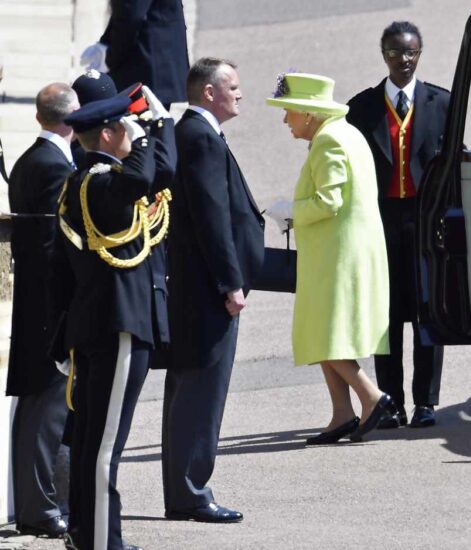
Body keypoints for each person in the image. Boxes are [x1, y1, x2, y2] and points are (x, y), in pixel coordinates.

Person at [50, 86, 171, 550]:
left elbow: (162, 174)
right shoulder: (101, 185)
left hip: (96, 325)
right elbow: (142, 180)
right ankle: (102, 542)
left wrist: (158, 131)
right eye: (125, 128)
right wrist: (147, 138)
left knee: (91, 443)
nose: (131, 136)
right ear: (108, 133)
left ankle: (91, 535)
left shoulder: (85, 182)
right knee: (102, 449)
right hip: (117, 327)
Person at [265, 72, 392, 444]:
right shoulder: (342, 133)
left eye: (289, 111)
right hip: (336, 252)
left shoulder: (330, 141)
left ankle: (370, 396)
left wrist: (290, 211)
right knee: (322, 330)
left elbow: (329, 201)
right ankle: (342, 413)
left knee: (323, 333)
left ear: (308, 113)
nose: (285, 119)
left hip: (337, 256)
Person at [162, 57, 264, 523]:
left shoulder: (197, 133)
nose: (240, 94)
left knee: (192, 392)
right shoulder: (200, 137)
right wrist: (231, 281)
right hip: (207, 292)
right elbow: (211, 217)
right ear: (209, 92)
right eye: (233, 87)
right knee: (201, 393)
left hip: (197, 289)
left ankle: (185, 489)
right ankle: (190, 492)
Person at [346, 21, 449, 429]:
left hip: (424, 222)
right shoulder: (363, 108)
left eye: (410, 53)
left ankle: (426, 402)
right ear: (383, 54)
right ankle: (390, 401)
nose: (403, 60)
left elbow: (451, 163)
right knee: (385, 315)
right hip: (380, 220)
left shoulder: (441, 102)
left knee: (428, 311)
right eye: (394, 53)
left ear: (419, 53)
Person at [6, 82, 79, 539]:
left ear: (39, 117)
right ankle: (40, 507)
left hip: (39, 305)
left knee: (44, 405)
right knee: (46, 407)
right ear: (72, 121)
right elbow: (58, 248)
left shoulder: (33, 159)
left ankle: (45, 502)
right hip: (51, 309)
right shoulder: (53, 167)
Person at [81, 0, 189, 108]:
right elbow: (125, 11)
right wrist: (104, 43)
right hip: (153, 64)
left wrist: (109, 58)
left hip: (146, 69)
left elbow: (131, 15)